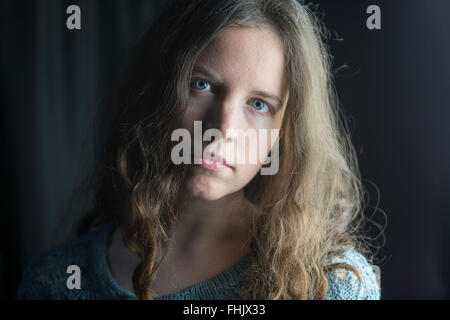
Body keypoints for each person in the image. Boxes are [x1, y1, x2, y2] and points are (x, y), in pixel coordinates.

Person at [16, 0, 381, 300]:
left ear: (284, 134)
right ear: (157, 91)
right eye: (201, 84)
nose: (222, 130)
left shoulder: (329, 285)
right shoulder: (58, 282)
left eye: (259, 105)